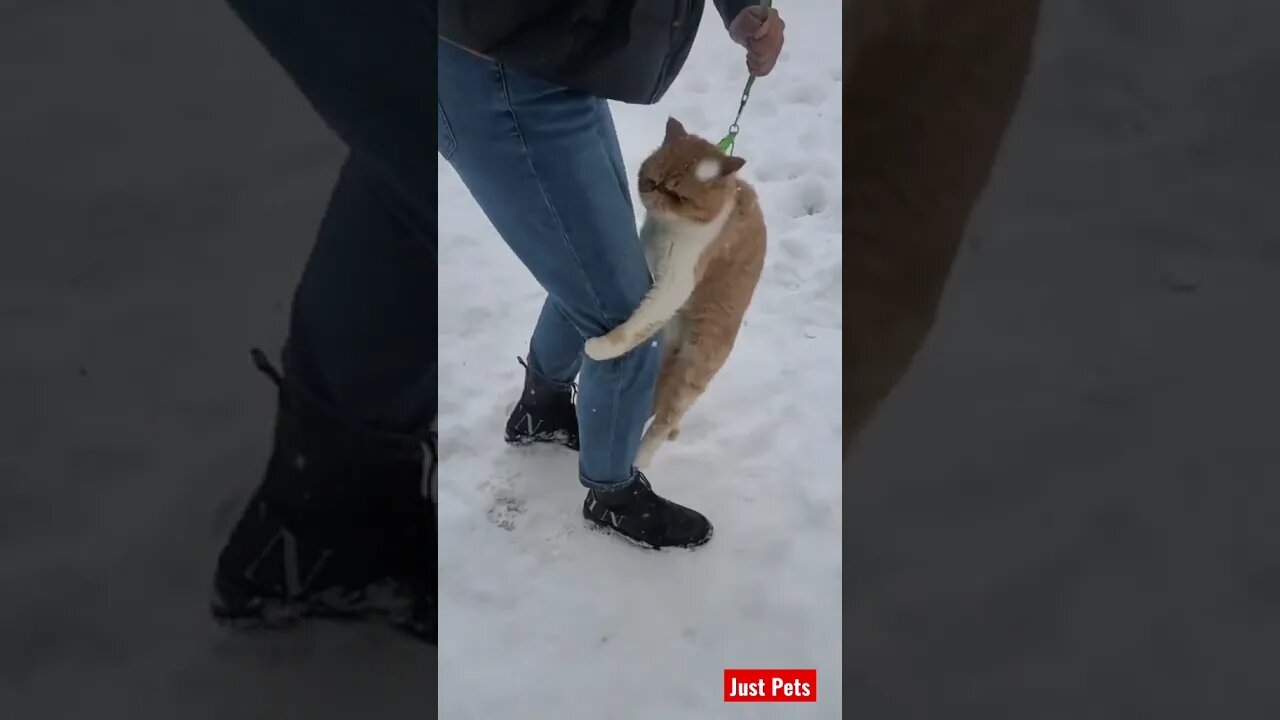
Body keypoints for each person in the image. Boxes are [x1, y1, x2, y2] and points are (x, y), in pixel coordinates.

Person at [437, 1, 785, 550]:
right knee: (621, 311)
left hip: (564, 62)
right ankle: (612, 493)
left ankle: (543, 407)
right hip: (504, 69)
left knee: (595, 268)